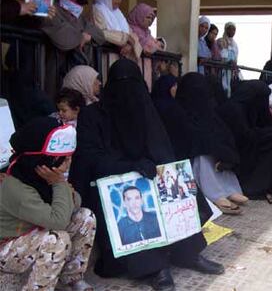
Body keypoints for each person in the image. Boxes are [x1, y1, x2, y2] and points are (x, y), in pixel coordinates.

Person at [69, 59, 224, 291]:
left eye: (131, 83)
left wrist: (165, 170)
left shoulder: (145, 107)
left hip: (148, 174)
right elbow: (91, 159)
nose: (127, 91)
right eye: (121, 83)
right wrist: (129, 166)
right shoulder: (93, 116)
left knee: (179, 191)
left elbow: (161, 148)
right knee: (134, 205)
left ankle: (187, 253)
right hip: (111, 181)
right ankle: (155, 267)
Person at [0, 117, 96, 291]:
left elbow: (75, 202)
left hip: (34, 232)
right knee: (57, 240)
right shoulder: (16, 187)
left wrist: (61, 187)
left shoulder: (43, 178)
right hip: (7, 247)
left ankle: (71, 278)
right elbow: (58, 220)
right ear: (43, 161)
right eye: (62, 159)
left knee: (86, 216)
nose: (68, 164)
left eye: (68, 158)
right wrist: (60, 184)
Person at [175, 73, 248, 214]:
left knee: (214, 153)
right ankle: (216, 194)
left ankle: (229, 189)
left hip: (209, 154)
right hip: (191, 158)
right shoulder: (179, 111)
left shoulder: (208, 111)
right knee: (203, 156)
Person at [217, 80, 272, 204]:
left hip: (245, 146)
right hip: (234, 153)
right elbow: (243, 137)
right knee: (270, 143)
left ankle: (267, 186)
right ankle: (256, 188)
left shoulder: (250, 106)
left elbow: (260, 127)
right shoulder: (234, 110)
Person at [41, 0, 105, 97]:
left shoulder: (79, 18)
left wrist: (87, 36)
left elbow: (100, 35)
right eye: (77, 3)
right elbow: (62, 36)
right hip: (53, 66)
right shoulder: (51, 11)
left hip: (74, 70)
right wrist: (81, 36)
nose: (79, 7)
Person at [93, 0, 142, 75]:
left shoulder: (119, 14)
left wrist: (130, 44)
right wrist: (126, 38)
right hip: (106, 55)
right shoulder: (97, 10)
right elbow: (101, 32)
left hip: (122, 58)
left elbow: (131, 34)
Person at [128, 3, 166, 92]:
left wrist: (155, 45)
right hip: (136, 63)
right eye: (147, 17)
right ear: (139, 15)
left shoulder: (147, 32)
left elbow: (159, 46)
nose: (150, 21)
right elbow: (149, 47)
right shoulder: (131, 29)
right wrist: (155, 45)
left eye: (152, 18)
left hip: (147, 66)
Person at [217, 22, 240, 97]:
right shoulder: (220, 41)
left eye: (234, 29)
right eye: (230, 29)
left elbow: (236, 57)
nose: (232, 31)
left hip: (232, 70)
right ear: (226, 30)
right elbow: (219, 54)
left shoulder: (235, 44)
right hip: (222, 69)